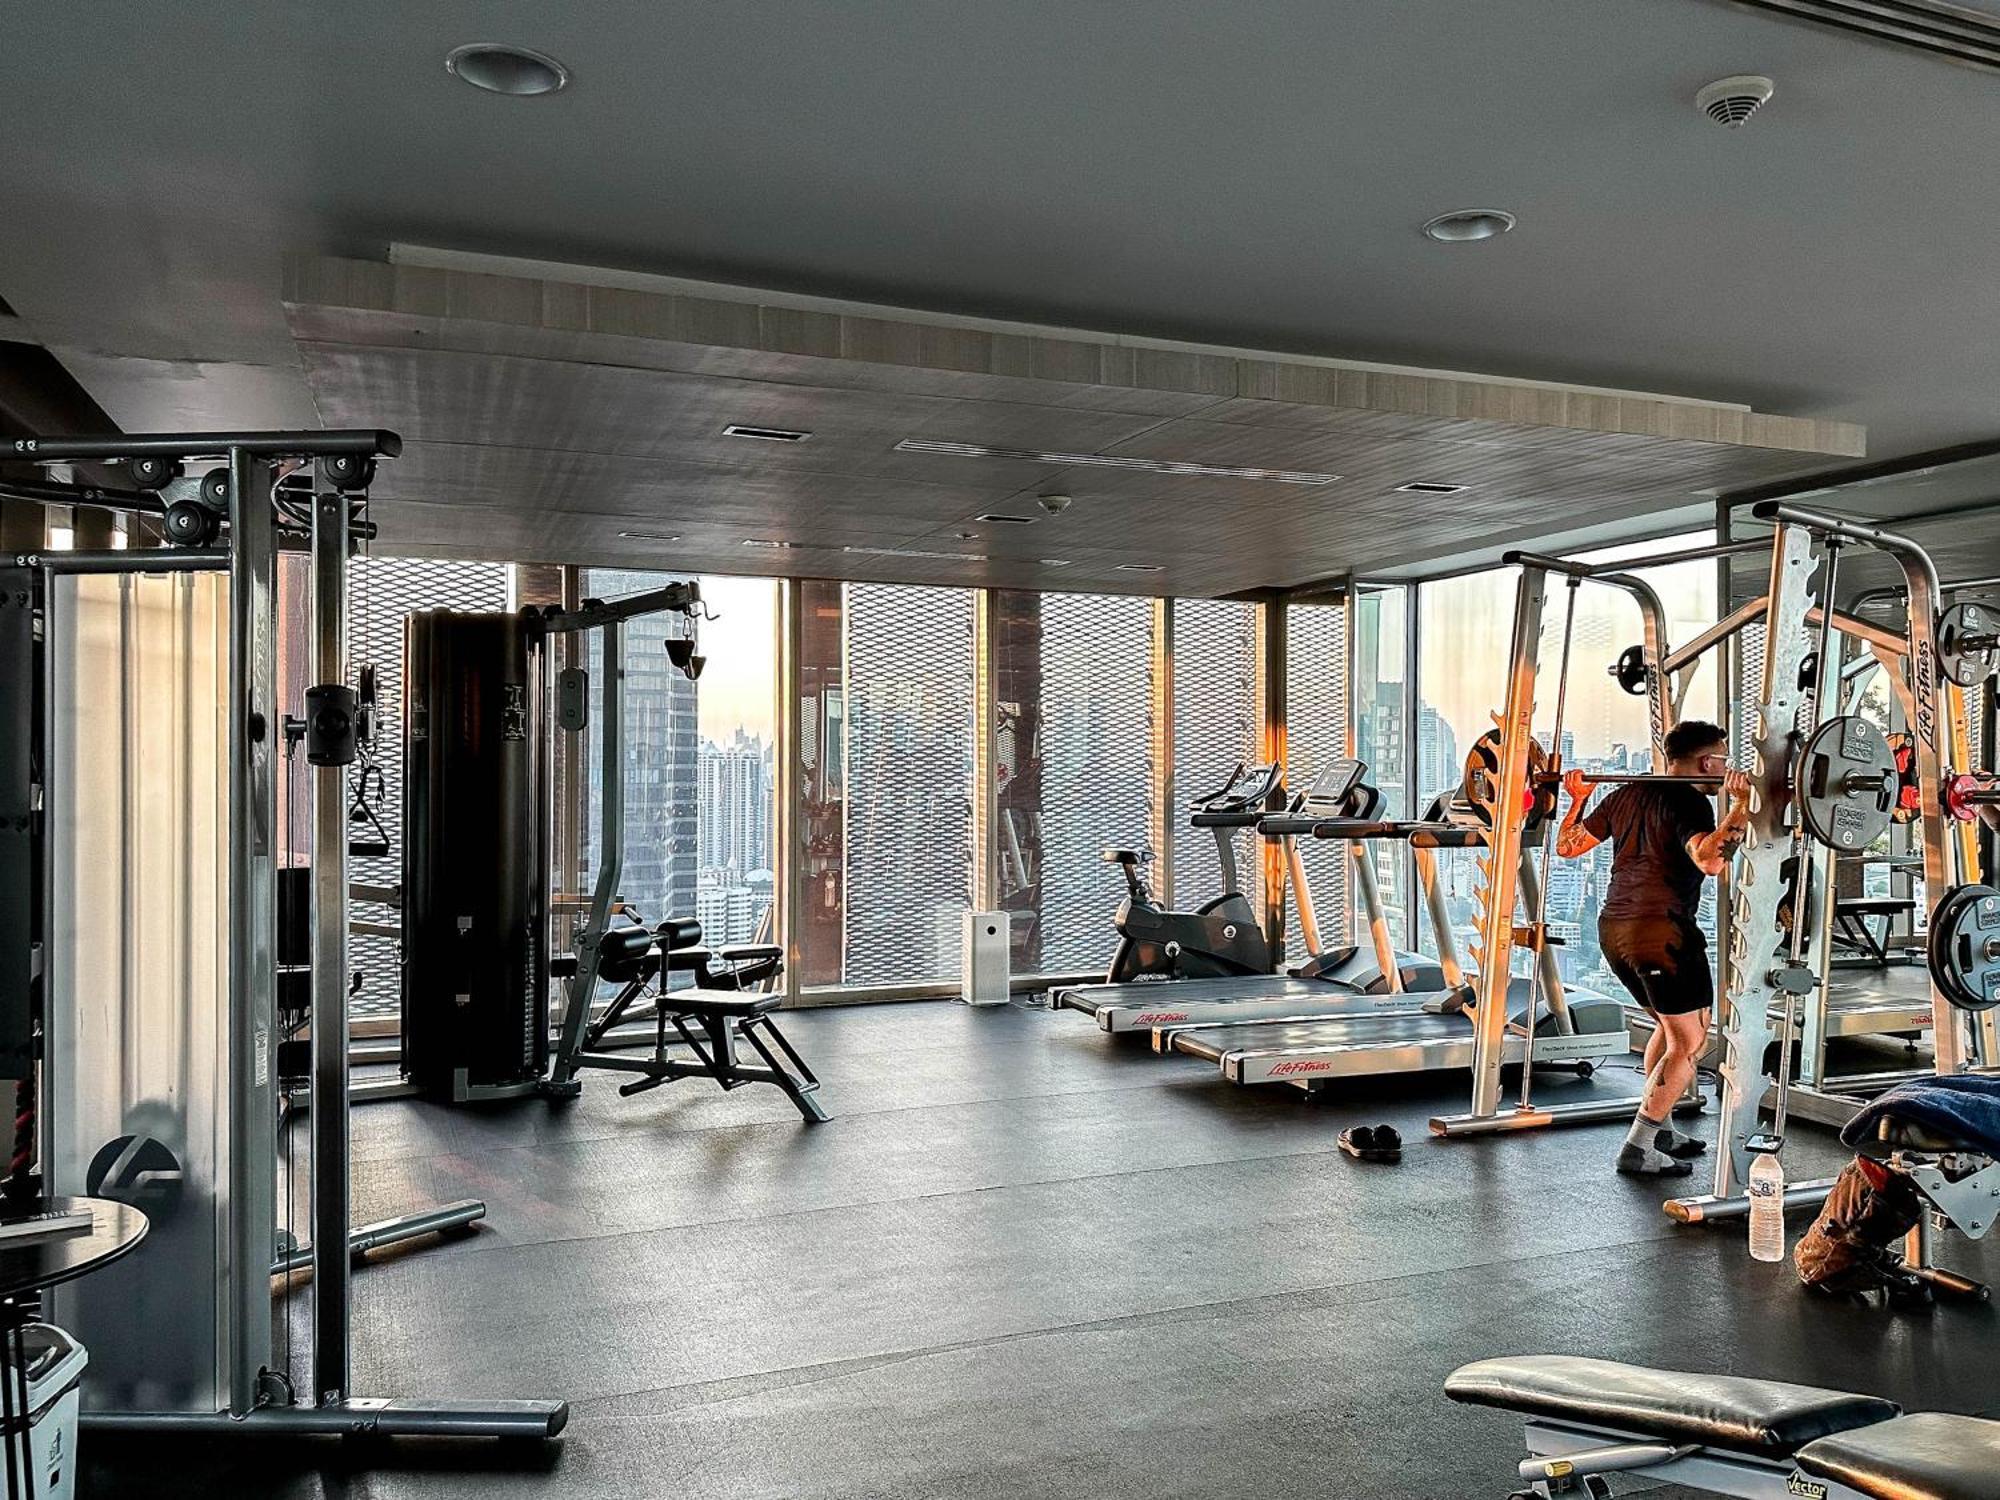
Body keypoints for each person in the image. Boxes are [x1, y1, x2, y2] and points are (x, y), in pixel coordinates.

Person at [1555, 720, 1750, 1177]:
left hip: (1615, 933)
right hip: (1663, 935)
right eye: (1722, 760)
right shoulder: (1690, 801)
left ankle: (1661, 1130)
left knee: (1668, 1029)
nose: (1724, 769)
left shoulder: (1629, 792)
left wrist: (1577, 799)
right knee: (1691, 1041)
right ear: (1708, 762)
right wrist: (1742, 805)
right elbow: (1710, 860)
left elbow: (1567, 845)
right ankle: (1639, 1147)